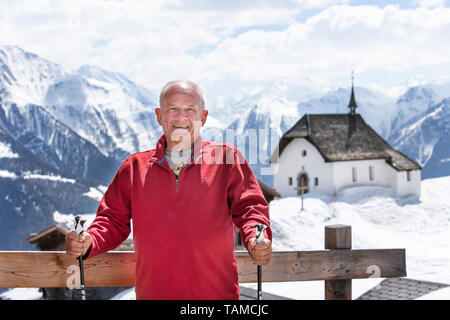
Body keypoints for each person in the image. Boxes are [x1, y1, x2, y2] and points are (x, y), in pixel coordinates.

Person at [65, 80, 272, 300]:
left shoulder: (227, 160)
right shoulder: (134, 168)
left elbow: (251, 209)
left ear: (203, 117)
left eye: (190, 110)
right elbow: (111, 220)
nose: (181, 117)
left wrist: (256, 238)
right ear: (159, 115)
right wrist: (89, 241)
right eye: (173, 109)